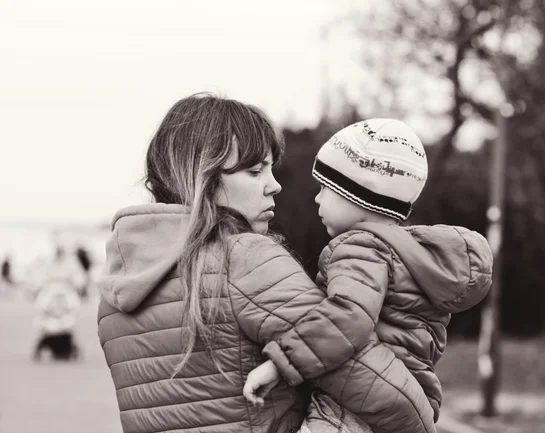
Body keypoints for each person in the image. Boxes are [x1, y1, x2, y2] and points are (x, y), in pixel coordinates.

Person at [97, 94, 432, 433]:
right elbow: (382, 390)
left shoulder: (119, 288)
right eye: (255, 171)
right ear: (202, 176)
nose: (275, 185)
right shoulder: (244, 260)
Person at [243, 119, 494, 433]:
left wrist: (278, 365)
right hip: (402, 394)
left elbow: (347, 318)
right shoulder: (409, 255)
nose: (317, 199)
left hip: (352, 405)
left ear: (357, 195)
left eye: (325, 188)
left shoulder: (360, 248)